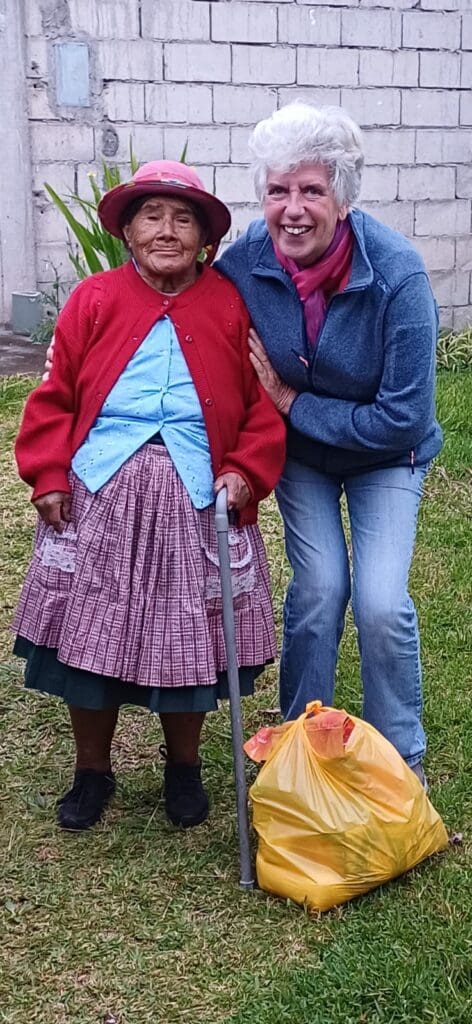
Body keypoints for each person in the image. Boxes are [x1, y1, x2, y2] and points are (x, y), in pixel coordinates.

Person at [13, 160, 285, 832]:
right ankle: (92, 770)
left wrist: (245, 470)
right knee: (90, 631)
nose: (167, 231)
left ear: (204, 239)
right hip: (101, 488)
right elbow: (54, 396)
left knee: (188, 632)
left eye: (183, 219)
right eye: (152, 217)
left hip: (196, 493)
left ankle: (183, 767)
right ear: (128, 231)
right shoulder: (94, 299)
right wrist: (49, 474)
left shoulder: (227, 304)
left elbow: (260, 406)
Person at [217, 103, 442, 785]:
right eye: (278, 189)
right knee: (318, 590)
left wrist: (293, 403)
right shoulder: (245, 262)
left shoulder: (397, 275)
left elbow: (403, 419)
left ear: (342, 198)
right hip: (304, 460)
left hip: (386, 456)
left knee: (380, 602)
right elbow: (188, 314)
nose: (292, 210)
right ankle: (296, 752)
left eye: (311, 190)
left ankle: (399, 765)